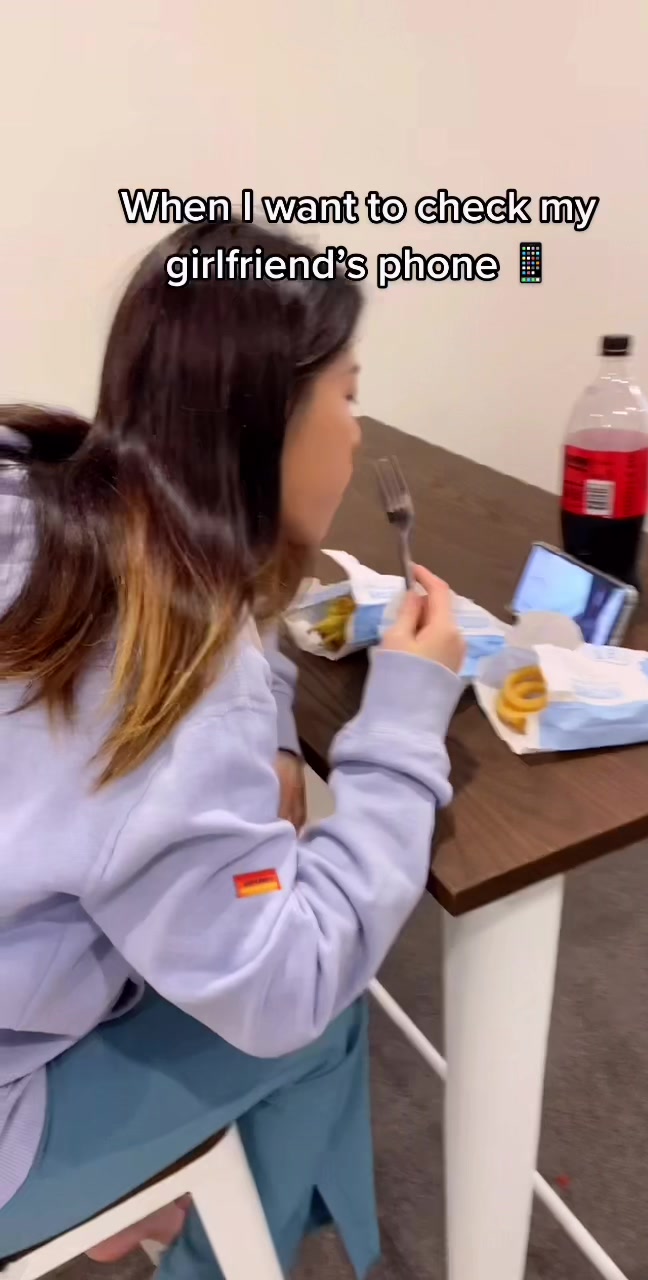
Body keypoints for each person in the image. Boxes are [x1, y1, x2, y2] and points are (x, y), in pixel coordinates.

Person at [0, 218, 465, 1279]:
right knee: (323, 1017)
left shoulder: (41, 496)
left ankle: (167, 1195)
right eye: (350, 395)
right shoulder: (169, 680)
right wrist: (405, 717)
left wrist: (272, 736)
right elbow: (288, 984)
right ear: (269, 416)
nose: (358, 434)